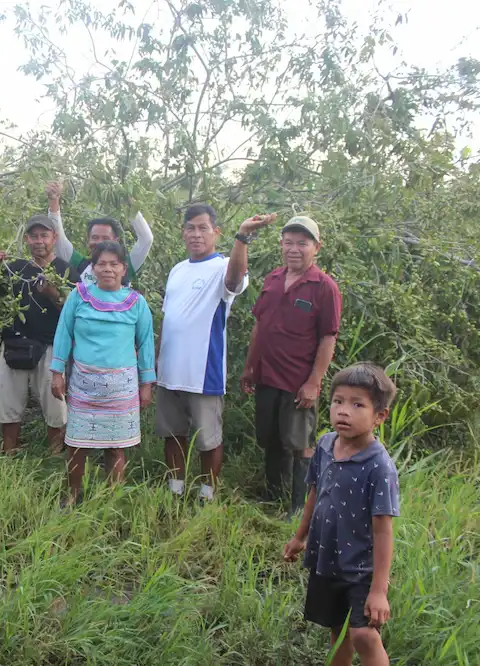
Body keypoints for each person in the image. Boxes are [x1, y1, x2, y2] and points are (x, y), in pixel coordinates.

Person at [155, 205, 277, 501]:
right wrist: (155, 362)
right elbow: (168, 320)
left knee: (208, 439)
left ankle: (207, 494)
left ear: (216, 233)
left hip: (203, 373)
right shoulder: (177, 270)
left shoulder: (224, 265)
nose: (196, 234)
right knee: (172, 434)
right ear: (183, 232)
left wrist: (243, 237)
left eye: (203, 228)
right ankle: (175, 490)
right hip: (169, 373)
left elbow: (234, 281)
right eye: (190, 228)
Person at [283, 363, 399, 666]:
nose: (344, 411)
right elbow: (314, 493)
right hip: (328, 559)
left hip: (362, 568)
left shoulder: (379, 466)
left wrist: (379, 591)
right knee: (338, 629)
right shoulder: (324, 445)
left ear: (379, 416)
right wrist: (299, 537)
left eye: (357, 404)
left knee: (364, 635)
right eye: (338, 401)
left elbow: (383, 531)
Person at [242, 216, 342, 513]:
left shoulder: (324, 287)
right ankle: (273, 494)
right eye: (288, 242)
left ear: (316, 247)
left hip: (298, 380)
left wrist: (314, 382)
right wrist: (250, 367)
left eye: (302, 243)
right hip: (266, 375)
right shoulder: (273, 278)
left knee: (300, 443)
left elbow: (328, 338)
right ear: (281, 245)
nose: (294, 249)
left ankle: (299, 506)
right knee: (270, 437)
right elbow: (259, 325)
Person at [50, 242, 155, 504]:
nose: (107, 269)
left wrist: (147, 383)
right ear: (93, 268)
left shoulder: (136, 303)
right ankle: (72, 495)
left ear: (123, 268)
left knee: (116, 446)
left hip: (122, 387)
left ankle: (111, 499)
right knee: (76, 445)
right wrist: (57, 372)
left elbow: (145, 344)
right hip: (84, 385)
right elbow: (64, 333)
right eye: (101, 264)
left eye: (114, 264)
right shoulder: (79, 296)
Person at [0, 214, 79, 454]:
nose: (39, 241)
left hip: (50, 347)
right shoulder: (15, 269)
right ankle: (8, 453)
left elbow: (74, 312)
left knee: (55, 407)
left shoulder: (66, 271)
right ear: (26, 239)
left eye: (44, 235)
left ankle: (55, 456)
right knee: (7, 404)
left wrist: (53, 294)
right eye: (33, 236)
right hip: (15, 345)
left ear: (54, 238)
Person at [45, 180, 154, 287]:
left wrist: (130, 205)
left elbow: (146, 239)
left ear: (116, 241)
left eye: (105, 238)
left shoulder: (125, 267)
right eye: (95, 237)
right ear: (88, 240)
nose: (99, 242)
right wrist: (54, 201)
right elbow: (58, 238)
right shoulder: (80, 264)